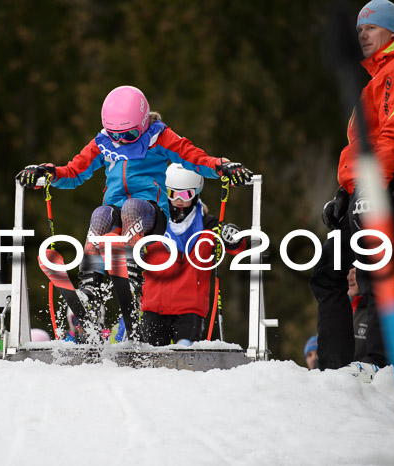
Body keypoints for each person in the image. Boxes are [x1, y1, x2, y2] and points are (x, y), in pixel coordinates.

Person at [16, 85, 252, 340]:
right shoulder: (104, 142)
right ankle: (90, 291)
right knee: (101, 214)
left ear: (142, 123)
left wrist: (222, 166)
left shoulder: (159, 137)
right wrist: (48, 172)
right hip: (118, 214)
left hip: (152, 213)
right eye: (114, 134)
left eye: (128, 135)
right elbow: (74, 172)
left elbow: (193, 158)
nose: (120, 141)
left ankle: (131, 276)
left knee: (132, 206)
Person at [310, 0, 394, 381]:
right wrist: (344, 193)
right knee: (327, 271)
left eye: (371, 28)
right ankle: (335, 368)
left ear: (392, 32)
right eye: (359, 29)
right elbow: (357, 145)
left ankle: (379, 364)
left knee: (376, 269)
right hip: (367, 186)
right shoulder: (373, 82)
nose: (362, 35)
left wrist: (372, 189)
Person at [140, 163, 246, 346]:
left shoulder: (208, 225)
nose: (179, 200)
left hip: (189, 307)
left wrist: (234, 239)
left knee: (185, 355)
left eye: (186, 194)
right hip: (154, 306)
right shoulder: (154, 221)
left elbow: (238, 250)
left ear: (196, 193)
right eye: (174, 194)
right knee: (152, 362)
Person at [347, 267, 369, 361]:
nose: (349, 277)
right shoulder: (338, 307)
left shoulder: (375, 309)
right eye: (347, 272)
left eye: (354, 273)